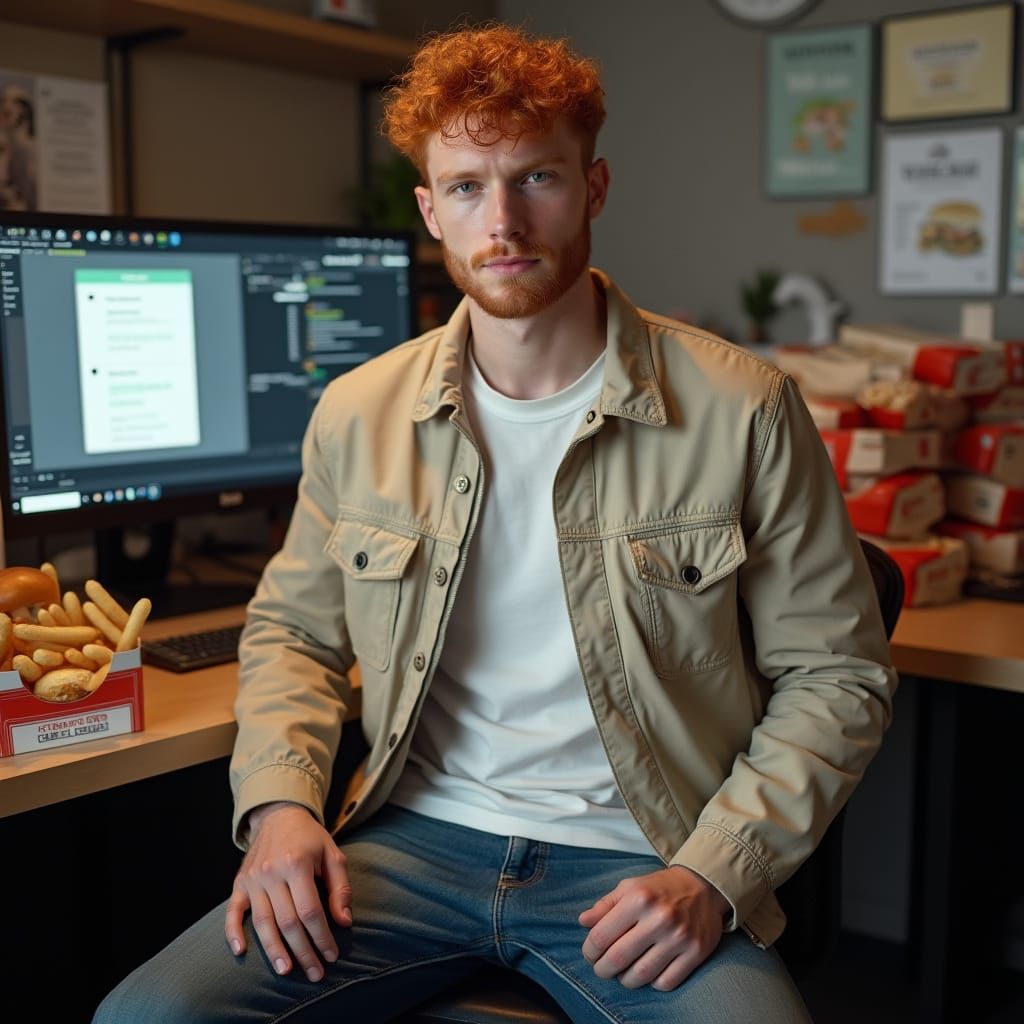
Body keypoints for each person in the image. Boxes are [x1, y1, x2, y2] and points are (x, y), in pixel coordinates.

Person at [94, 23, 896, 1024]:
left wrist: (714, 872)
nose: (503, 219)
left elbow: (838, 675)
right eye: (467, 186)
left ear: (593, 188)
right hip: (412, 847)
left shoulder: (743, 408)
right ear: (431, 209)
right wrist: (280, 807)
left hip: (647, 856)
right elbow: (293, 635)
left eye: (537, 179)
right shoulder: (358, 411)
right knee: (148, 1016)